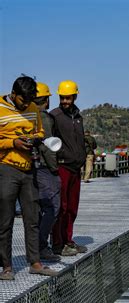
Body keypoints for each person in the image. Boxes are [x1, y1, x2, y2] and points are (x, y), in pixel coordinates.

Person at [0, 76, 58, 280]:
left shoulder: (33, 108)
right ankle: (7, 266)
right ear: (13, 94)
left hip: (29, 169)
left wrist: (36, 138)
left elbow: (40, 131)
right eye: (22, 101)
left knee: (32, 217)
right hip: (6, 168)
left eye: (29, 102)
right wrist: (13, 143)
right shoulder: (0, 107)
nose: (26, 105)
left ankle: (35, 262)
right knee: (5, 219)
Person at [50, 80, 87, 256]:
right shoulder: (55, 116)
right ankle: (58, 243)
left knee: (72, 207)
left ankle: (69, 240)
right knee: (61, 207)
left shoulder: (78, 117)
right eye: (62, 97)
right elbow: (49, 142)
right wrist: (59, 158)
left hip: (75, 167)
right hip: (62, 166)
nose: (65, 101)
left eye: (68, 98)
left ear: (75, 96)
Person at [34, 82, 62, 262]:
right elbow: (49, 147)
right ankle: (41, 246)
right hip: (44, 168)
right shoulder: (44, 117)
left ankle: (36, 245)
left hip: (30, 167)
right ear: (46, 99)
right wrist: (55, 169)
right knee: (52, 207)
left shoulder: (26, 115)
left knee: (37, 209)